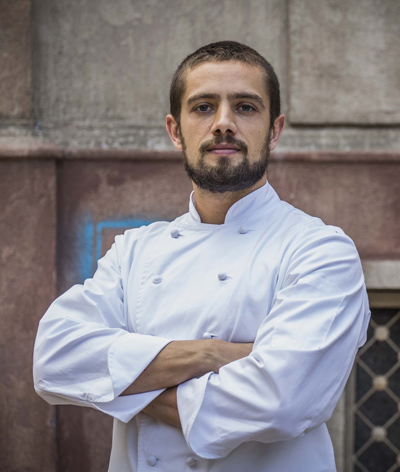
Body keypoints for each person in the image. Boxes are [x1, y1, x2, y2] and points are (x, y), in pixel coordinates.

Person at [33, 41, 370, 472]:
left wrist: (117, 385)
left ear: (274, 130)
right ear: (176, 131)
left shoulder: (321, 251)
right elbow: (53, 358)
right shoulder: (135, 250)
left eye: (245, 107)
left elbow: (280, 402)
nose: (223, 123)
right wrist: (210, 354)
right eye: (204, 107)